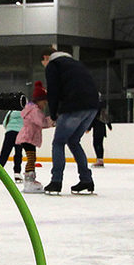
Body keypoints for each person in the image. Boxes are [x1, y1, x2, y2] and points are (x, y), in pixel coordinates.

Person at [40, 47, 101, 196]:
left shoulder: (54, 65)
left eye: (43, 61)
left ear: (46, 57)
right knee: (73, 141)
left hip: (74, 106)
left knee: (58, 142)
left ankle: (56, 181)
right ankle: (86, 179)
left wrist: (53, 114)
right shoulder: (75, 63)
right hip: (92, 107)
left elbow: (53, 90)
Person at [18, 82, 51, 192]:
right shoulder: (35, 111)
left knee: (31, 158)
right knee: (31, 159)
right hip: (28, 138)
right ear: (38, 100)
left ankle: (30, 180)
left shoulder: (31, 109)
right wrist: (53, 120)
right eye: (44, 103)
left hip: (27, 137)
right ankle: (29, 181)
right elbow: (42, 122)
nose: (44, 105)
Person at [0, 103, 24, 181]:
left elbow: (5, 122)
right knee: (18, 153)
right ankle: (17, 173)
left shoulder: (11, 112)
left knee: (4, 153)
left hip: (10, 132)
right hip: (20, 133)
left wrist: (9, 128)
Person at [90, 101, 113, 167]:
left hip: (97, 129)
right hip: (102, 129)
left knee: (96, 144)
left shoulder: (95, 110)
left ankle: (99, 160)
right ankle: (100, 160)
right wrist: (109, 126)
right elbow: (106, 118)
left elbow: (93, 120)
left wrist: (89, 128)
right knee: (100, 144)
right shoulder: (103, 110)